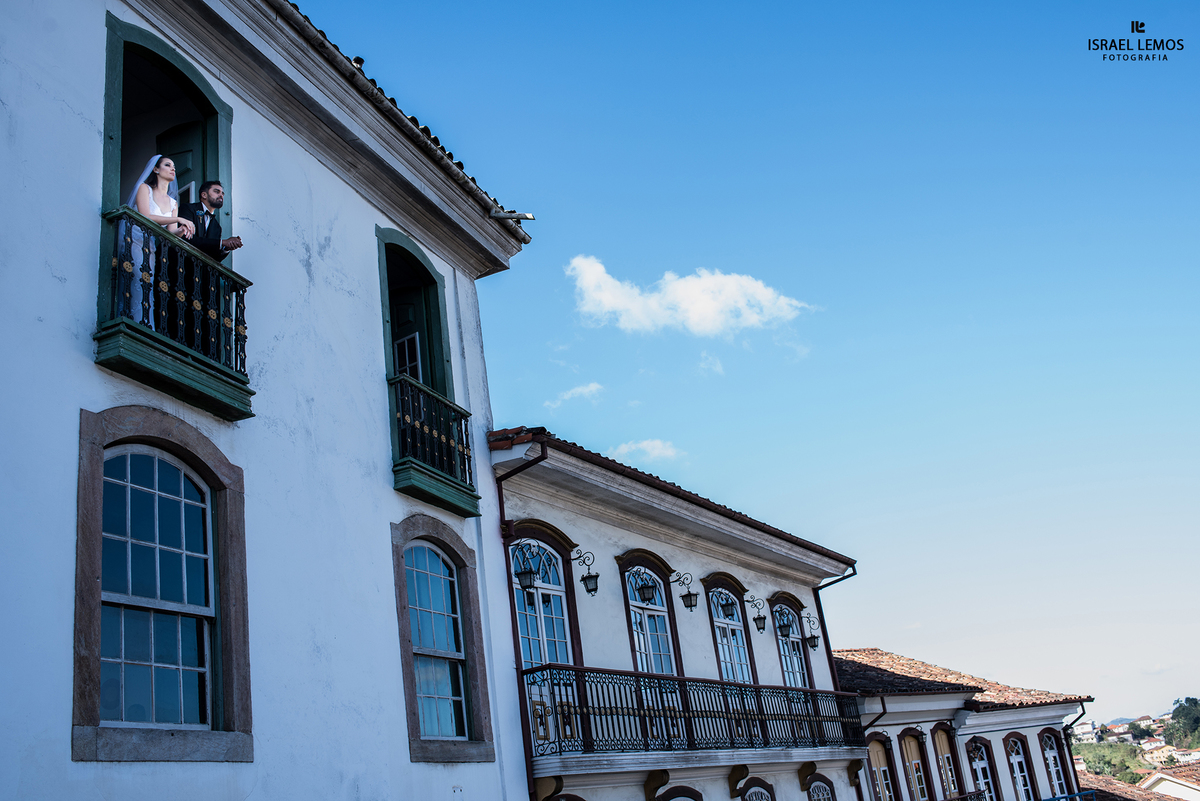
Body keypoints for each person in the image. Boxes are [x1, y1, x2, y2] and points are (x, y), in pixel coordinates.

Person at [123, 155, 195, 322]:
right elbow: (145, 216)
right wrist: (178, 219)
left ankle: (146, 324)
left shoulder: (173, 203)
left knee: (147, 283)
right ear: (156, 169)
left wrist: (182, 230)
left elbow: (169, 235)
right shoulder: (144, 189)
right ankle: (133, 321)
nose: (173, 169)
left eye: (174, 166)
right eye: (167, 165)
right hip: (134, 240)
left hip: (150, 247)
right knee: (137, 278)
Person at [179, 180, 243, 261]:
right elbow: (186, 238)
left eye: (222, 193)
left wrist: (226, 248)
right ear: (204, 195)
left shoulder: (217, 227)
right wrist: (222, 242)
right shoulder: (188, 209)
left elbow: (213, 258)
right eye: (217, 192)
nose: (221, 195)